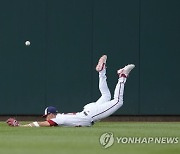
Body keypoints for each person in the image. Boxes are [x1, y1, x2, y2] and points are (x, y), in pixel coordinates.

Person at [6, 55, 135, 127]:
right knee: (106, 95)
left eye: (47, 116)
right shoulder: (61, 117)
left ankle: (122, 76)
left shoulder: (59, 119)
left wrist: (21, 126)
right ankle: (102, 71)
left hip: (90, 115)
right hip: (88, 111)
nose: (46, 118)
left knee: (118, 101)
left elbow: (41, 124)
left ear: (51, 114)